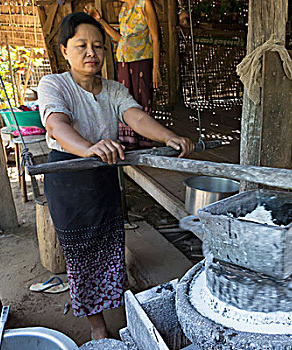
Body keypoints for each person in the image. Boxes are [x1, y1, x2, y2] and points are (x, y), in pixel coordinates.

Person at [37, 12, 194, 340]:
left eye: (98, 46)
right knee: (81, 255)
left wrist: (168, 137)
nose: (91, 52)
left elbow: (134, 116)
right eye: (81, 45)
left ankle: (121, 308)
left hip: (104, 178)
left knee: (109, 247)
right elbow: (56, 125)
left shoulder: (112, 88)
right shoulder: (55, 84)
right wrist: (88, 148)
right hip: (68, 180)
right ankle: (98, 327)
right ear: (65, 50)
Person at [86, 0, 161, 149]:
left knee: (142, 98)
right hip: (123, 61)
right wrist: (100, 20)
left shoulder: (144, 3)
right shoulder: (124, 9)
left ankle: (144, 140)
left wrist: (156, 67)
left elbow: (155, 38)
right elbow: (120, 38)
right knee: (126, 98)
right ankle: (130, 141)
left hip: (141, 59)